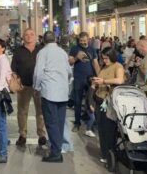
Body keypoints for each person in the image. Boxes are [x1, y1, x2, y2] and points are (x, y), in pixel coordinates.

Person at [33, 32, 71, 163]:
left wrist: (36, 87)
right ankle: (58, 148)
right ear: (55, 39)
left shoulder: (43, 52)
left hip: (49, 92)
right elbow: (69, 72)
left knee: (51, 123)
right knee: (59, 123)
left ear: (43, 41)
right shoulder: (62, 52)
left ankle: (56, 153)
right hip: (63, 92)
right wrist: (65, 84)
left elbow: (38, 73)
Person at [10, 28, 47, 147]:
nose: (29, 36)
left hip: (39, 86)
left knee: (40, 111)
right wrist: (17, 81)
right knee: (22, 111)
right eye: (26, 34)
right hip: (24, 86)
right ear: (23, 37)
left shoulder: (41, 50)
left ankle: (42, 135)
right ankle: (22, 135)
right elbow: (13, 68)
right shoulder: (18, 51)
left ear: (35, 36)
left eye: (31, 34)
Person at [90, 47, 124, 165]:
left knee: (109, 129)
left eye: (106, 58)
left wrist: (104, 81)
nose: (104, 60)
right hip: (99, 100)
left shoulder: (118, 66)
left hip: (109, 102)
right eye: (103, 58)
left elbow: (119, 80)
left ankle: (110, 154)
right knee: (101, 129)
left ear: (112, 56)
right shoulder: (104, 67)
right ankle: (104, 153)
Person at [69, 32, 99, 137]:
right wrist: (77, 57)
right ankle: (77, 123)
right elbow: (70, 62)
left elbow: (95, 63)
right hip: (78, 78)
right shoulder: (74, 49)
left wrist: (99, 76)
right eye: (81, 40)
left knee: (91, 101)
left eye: (84, 40)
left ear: (88, 39)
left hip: (90, 78)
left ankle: (90, 122)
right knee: (77, 101)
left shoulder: (92, 49)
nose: (82, 42)